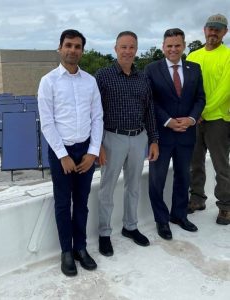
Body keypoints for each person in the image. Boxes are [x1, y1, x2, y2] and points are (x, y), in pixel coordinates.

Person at [37, 29, 103, 276]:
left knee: (82, 203)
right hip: (60, 151)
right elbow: (47, 122)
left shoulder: (90, 81)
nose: (72, 50)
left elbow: (97, 118)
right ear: (60, 48)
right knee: (64, 203)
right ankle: (66, 251)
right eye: (68, 45)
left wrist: (92, 152)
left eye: (77, 46)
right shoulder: (49, 81)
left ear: (82, 51)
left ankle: (81, 248)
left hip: (85, 150)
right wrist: (62, 154)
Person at [96, 31, 159, 257]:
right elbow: (95, 113)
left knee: (133, 185)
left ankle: (130, 227)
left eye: (131, 47)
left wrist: (153, 140)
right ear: (115, 49)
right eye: (123, 47)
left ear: (136, 49)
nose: (127, 51)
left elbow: (149, 110)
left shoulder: (143, 79)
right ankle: (104, 233)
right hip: (112, 138)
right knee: (108, 187)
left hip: (138, 137)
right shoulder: (102, 76)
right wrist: (98, 145)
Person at [145, 28, 205, 240]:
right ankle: (161, 220)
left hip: (187, 134)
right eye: (169, 45)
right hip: (162, 135)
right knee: (157, 180)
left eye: (177, 45)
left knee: (183, 177)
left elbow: (200, 99)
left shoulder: (194, 69)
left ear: (184, 46)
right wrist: (169, 121)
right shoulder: (151, 69)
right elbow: (150, 101)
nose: (173, 49)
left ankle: (179, 215)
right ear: (163, 47)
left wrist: (190, 119)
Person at [187, 14, 230, 225]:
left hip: (219, 119)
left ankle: (225, 206)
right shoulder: (193, 56)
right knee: (195, 161)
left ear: (225, 32)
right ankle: (197, 199)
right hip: (195, 119)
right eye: (210, 28)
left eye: (218, 29)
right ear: (204, 30)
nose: (213, 32)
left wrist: (202, 111)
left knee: (221, 164)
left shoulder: (228, 56)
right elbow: (187, 88)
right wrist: (194, 114)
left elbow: (225, 90)